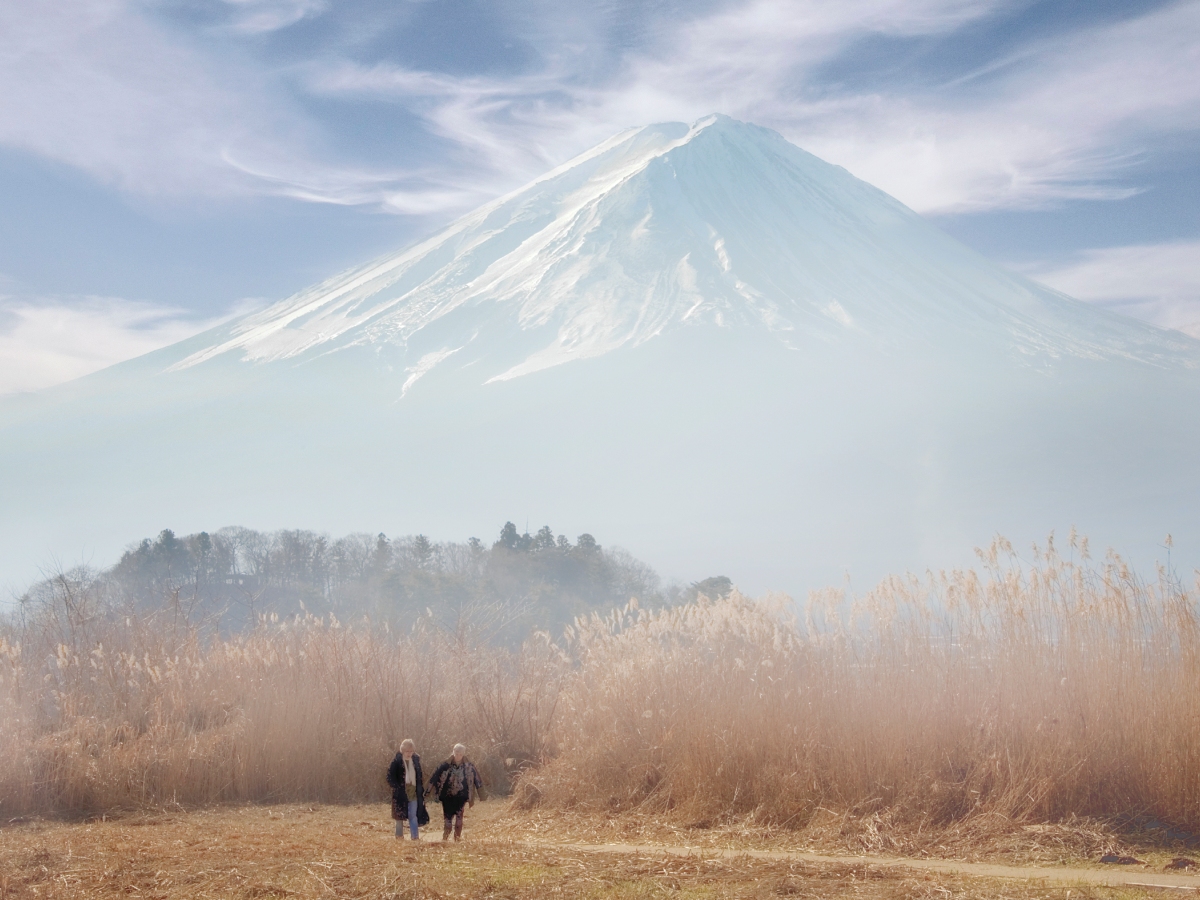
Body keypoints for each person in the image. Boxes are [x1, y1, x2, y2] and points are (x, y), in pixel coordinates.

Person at [427, 743, 484, 841]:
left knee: (459, 818)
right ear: (453, 752)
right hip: (447, 796)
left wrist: (482, 794)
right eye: (456, 753)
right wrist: (427, 791)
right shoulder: (445, 765)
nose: (458, 755)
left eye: (460, 754)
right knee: (448, 819)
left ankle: (457, 838)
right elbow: (434, 777)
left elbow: (477, 779)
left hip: (461, 796)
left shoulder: (469, 766)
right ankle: (445, 837)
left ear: (463, 755)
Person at [386, 739, 429, 840]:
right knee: (399, 816)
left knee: (413, 815)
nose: (409, 753)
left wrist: (420, 789)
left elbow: (420, 776)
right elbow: (389, 777)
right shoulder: (396, 762)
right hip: (400, 793)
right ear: (402, 750)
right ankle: (399, 837)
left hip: (413, 791)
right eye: (407, 751)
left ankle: (415, 837)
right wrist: (397, 787)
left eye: (411, 751)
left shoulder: (416, 760)